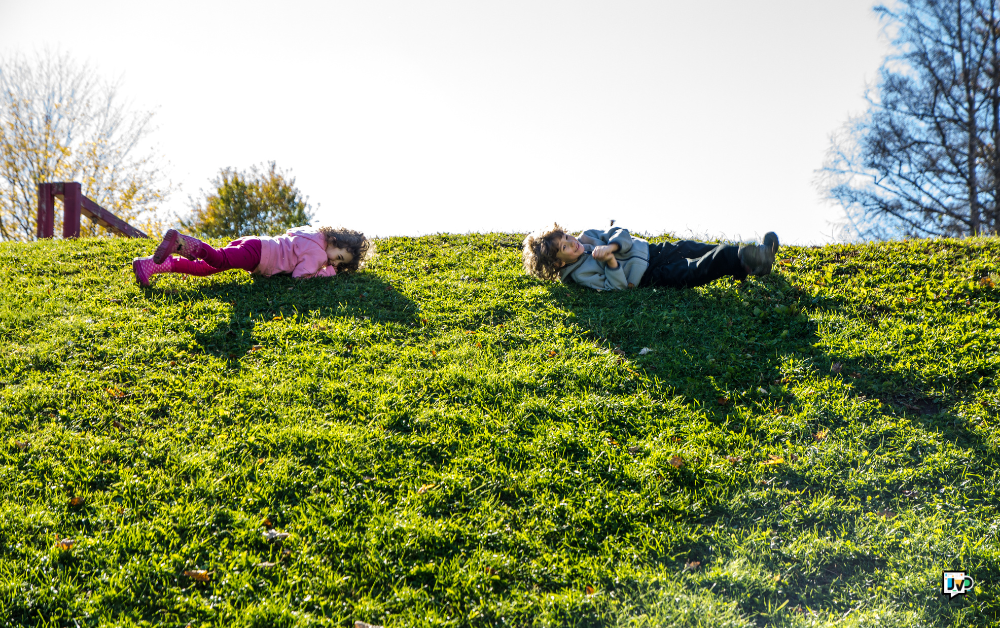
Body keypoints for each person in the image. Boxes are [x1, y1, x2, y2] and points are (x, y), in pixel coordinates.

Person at [521, 223, 778, 290]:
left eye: (566, 237)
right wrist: (610, 263)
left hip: (652, 251)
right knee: (695, 269)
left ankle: (751, 260)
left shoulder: (587, 237)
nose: (572, 243)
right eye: (564, 248)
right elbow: (616, 287)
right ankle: (747, 258)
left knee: (695, 247)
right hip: (650, 276)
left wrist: (612, 247)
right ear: (558, 262)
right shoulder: (580, 274)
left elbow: (619, 232)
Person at [132, 226, 371, 287]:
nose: (335, 263)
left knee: (208, 268)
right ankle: (182, 243)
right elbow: (300, 276)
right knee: (217, 260)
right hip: (259, 256)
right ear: (334, 242)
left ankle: (149, 266)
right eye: (338, 257)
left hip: (256, 243)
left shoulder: (314, 235)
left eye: (339, 264)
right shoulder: (319, 256)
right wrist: (327, 272)